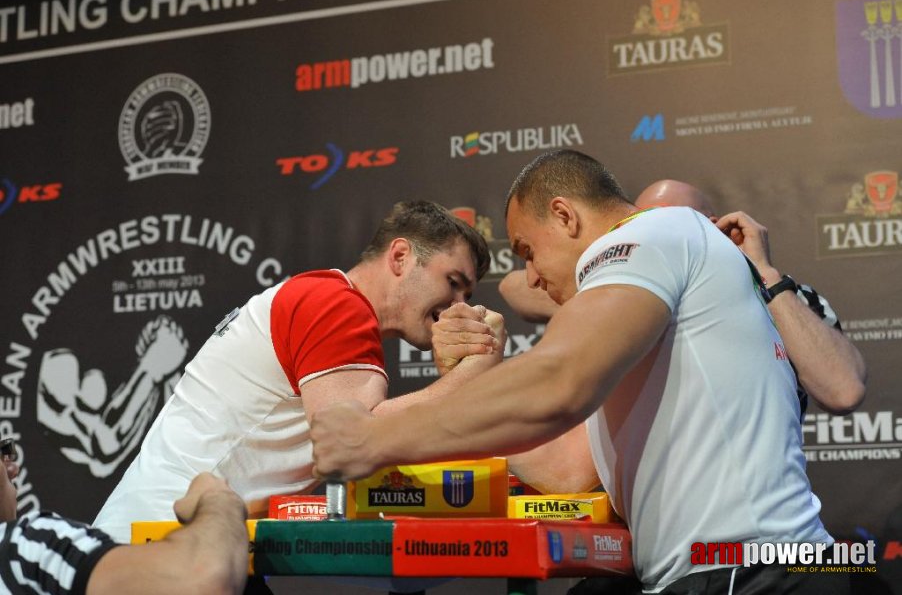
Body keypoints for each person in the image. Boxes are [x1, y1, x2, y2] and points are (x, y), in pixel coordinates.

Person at [310, 150, 850, 594]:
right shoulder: (649, 313)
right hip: (743, 569)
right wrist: (472, 375)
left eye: (526, 250)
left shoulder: (653, 233)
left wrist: (376, 436)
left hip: (756, 571)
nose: (532, 277)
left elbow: (558, 383)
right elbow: (564, 468)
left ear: (566, 217)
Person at [94, 200, 502, 544]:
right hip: (164, 541)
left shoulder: (324, 298)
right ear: (399, 257)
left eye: (468, 295)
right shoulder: (336, 306)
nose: (458, 306)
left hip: (177, 535)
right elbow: (357, 445)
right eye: (452, 283)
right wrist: (476, 370)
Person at [498, 179, 866, 416]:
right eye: (640, 224)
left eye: (669, 223)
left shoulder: (787, 297)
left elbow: (844, 390)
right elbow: (516, 288)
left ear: (716, 225)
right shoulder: (629, 282)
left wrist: (766, 276)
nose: (655, 235)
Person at [1, 445, 249, 594]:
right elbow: (204, 579)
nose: (12, 468)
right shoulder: (20, 549)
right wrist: (216, 498)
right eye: (1, 454)